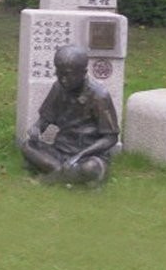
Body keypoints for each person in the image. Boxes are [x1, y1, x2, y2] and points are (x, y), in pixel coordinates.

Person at [21, 45, 119, 186]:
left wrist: (80, 155)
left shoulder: (99, 96)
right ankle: (67, 175)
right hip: (60, 150)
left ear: (83, 73)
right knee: (28, 146)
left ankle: (52, 178)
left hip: (88, 155)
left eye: (68, 75)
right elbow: (45, 119)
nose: (63, 79)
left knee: (90, 168)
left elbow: (111, 137)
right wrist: (37, 128)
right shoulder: (58, 87)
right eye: (59, 74)